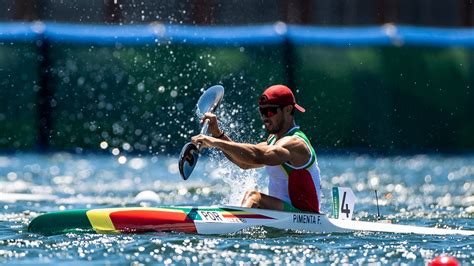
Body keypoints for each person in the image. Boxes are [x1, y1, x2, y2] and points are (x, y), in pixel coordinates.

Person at [191, 84, 321, 213]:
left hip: (305, 216)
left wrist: (215, 142)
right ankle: (236, 221)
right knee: (253, 197)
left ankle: (235, 226)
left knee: (254, 197)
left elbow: (258, 156)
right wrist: (217, 134)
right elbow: (244, 163)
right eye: (262, 111)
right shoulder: (273, 140)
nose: (265, 117)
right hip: (283, 213)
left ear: (288, 110)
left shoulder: (296, 143)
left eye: (270, 111)